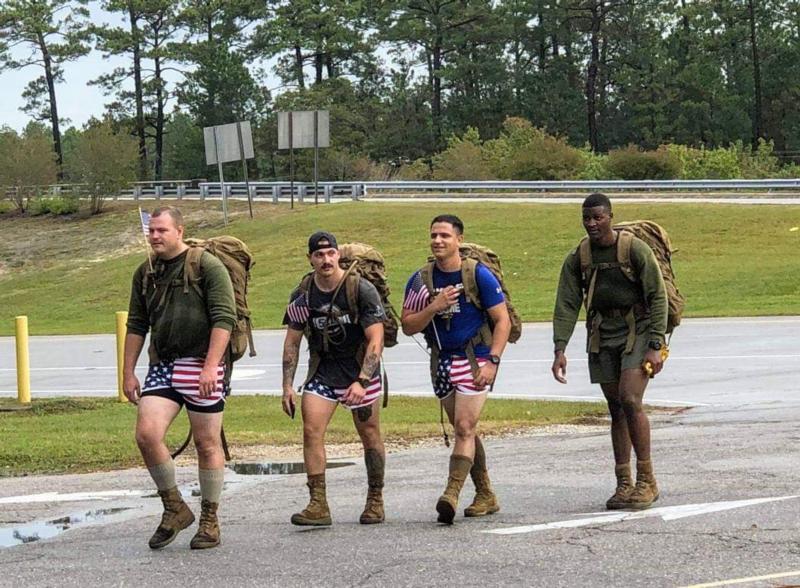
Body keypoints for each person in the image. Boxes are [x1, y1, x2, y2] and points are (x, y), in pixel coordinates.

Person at [123, 206, 236, 550]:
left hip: (202, 364)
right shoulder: (145, 272)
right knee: (147, 434)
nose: (155, 236)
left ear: (179, 231)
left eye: (162, 230)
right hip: (164, 366)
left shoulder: (206, 265)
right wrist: (127, 371)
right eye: (151, 230)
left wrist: (210, 366)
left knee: (207, 444)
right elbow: (137, 324)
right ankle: (174, 507)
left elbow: (224, 318)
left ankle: (209, 519)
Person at [551, 193, 667, 510]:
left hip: (638, 330)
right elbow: (567, 303)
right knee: (615, 407)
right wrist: (560, 348)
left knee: (630, 399)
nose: (591, 223)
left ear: (610, 217)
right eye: (586, 218)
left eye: (597, 217)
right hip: (602, 334)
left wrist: (656, 345)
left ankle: (647, 481)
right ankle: (624, 483)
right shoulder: (579, 257)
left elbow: (657, 296)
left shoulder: (634, 249)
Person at [401, 214, 511, 524]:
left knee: (463, 427)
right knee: (466, 430)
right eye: (434, 235)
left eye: (445, 236)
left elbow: (502, 320)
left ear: (458, 240)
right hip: (442, 361)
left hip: (475, 359)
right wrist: (433, 307)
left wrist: (493, 361)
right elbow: (407, 325)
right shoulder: (420, 280)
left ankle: (451, 493)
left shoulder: (478, 275)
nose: (438, 241)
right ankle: (485, 493)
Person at [281, 231, 387, 526]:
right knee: (311, 431)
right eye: (319, 255)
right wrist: (287, 386)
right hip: (324, 372)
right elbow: (292, 343)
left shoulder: (360, 288)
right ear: (310, 259)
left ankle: (375, 499)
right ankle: (318, 504)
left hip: (359, 370)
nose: (326, 260)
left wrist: (362, 381)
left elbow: (376, 338)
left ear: (338, 254)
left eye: (330, 253)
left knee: (369, 433)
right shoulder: (303, 294)